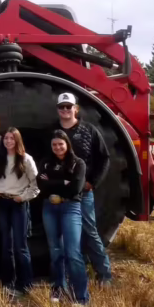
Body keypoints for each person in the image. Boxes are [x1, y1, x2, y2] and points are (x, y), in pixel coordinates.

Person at [55, 92, 113, 284]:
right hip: (61, 192)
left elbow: (104, 158)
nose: (65, 110)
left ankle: (104, 274)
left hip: (83, 192)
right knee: (63, 233)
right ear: (58, 110)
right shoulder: (53, 132)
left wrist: (92, 182)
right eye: (62, 107)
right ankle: (67, 276)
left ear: (76, 109)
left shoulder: (89, 130)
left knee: (89, 231)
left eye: (68, 106)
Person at [39, 130, 89, 305]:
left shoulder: (78, 163)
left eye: (60, 144)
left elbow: (75, 188)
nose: (57, 147)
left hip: (70, 207)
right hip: (49, 208)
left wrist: (52, 183)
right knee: (55, 251)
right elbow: (41, 186)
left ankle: (81, 297)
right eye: (54, 144)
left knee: (73, 252)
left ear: (67, 144)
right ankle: (58, 289)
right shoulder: (46, 163)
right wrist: (63, 182)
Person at [0, 127, 39, 297]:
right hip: (2, 203)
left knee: (20, 245)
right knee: (6, 245)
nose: (8, 141)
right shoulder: (0, 158)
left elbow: (35, 185)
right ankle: (8, 282)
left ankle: (25, 283)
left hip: (18, 204)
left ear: (17, 140)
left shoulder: (26, 159)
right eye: (6, 138)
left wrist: (22, 197)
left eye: (12, 138)